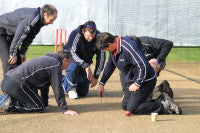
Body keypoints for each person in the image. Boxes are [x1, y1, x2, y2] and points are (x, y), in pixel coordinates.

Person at [96, 32, 182, 116]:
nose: (106, 51)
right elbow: (110, 66)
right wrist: (102, 83)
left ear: (110, 44)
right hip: (134, 78)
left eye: (105, 49)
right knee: (125, 105)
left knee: (133, 108)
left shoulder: (129, 47)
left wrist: (137, 84)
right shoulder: (114, 48)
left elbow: (143, 66)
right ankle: (159, 100)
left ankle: (166, 106)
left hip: (146, 80)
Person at [0, 50, 78, 116]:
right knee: (39, 107)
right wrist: (64, 109)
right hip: (16, 84)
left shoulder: (49, 60)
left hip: (8, 82)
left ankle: (8, 99)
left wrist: (45, 103)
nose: (67, 67)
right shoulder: (55, 64)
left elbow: (45, 85)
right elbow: (57, 87)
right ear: (64, 60)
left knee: (41, 104)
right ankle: (8, 105)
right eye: (68, 64)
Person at [0, 4, 57, 77]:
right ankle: (7, 86)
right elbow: (20, 35)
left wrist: (22, 52)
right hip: (1, 29)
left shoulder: (39, 21)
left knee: (18, 61)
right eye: (51, 20)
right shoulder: (32, 17)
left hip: (10, 33)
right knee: (10, 60)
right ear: (45, 14)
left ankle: (16, 85)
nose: (52, 23)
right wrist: (12, 53)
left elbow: (29, 37)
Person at [120, 36, 174, 100]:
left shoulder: (147, 41)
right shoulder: (127, 51)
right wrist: (126, 92)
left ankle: (148, 95)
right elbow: (123, 72)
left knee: (149, 68)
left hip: (155, 63)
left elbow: (168, 44)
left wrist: (158, 60)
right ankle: (161, 87)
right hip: (142, 65)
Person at [62, 21, 106, 99]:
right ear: (83, 31)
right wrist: (85, 66)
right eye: (88, 36)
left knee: (82, 93)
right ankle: (69, 86)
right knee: (74, 67)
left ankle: (68, 82)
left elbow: (101, 58)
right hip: (71, 59)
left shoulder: (99, 37)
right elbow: (72, 53)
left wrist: (96, 77)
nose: (91, 38)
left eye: (93, 35)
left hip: (85, 64)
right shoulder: (75, 34)